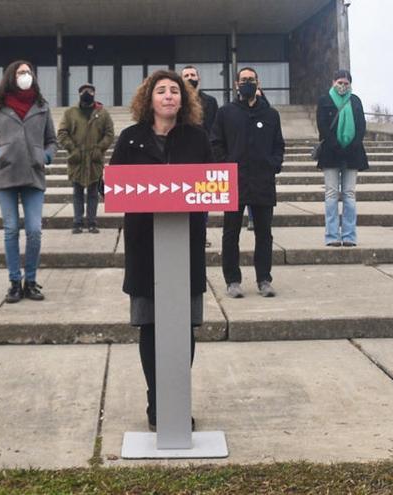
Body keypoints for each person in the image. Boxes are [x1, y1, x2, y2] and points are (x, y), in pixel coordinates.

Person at [109, 69, 211, 432]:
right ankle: (156, 400)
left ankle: (178, 399)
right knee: (151, 326)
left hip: (185, 246)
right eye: (161, 91)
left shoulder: (198, 139)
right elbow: (115, 186)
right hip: (144, 246)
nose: (169, 96)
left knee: (185, 326)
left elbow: (211, 184)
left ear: (183, 100)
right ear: (148, 98)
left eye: (175, 91)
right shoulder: (130, 138)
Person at [0, 60, 57, 303]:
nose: (25, 75)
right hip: (6, 175)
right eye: (21, 72)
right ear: (12, 77)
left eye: (28, 72)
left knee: (34, 230)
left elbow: (52, 140)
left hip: (34, 174)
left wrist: (45, 156)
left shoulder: (42, 106)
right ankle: (14, 282)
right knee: (11, 230)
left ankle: (31, 281)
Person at [212, 67, 285, 298]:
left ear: (258, 82)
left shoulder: (271, 115)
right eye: (243, 80)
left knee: (264, 233)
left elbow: (278, 145)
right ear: (236, 84)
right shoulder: (225, 113)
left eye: (251, 80)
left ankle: (264, 279)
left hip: (263, 182)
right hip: (234, 182)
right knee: (230, 233)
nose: (247, 83)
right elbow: (216, 143)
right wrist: (226, 166)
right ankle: (232, 280)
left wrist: (273, 164)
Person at [315, 69, 368, 247]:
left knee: (349, 194)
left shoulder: (355, 101)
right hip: (331, 153)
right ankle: (331, 236)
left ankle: (349, 236)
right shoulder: (324, 101)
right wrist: (336, 145)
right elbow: (322, 126)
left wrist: (352, 144)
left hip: (352, 153)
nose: (343, 86)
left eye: (346, 83)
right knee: (331, 194)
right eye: (340, 82)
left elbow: (361, 125)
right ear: (333, 82)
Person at [57, 83, 114, 234]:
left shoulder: (102, 113)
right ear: (79, 93)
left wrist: (100, 149)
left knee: (93, 192)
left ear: (94, 93)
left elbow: (109, 134)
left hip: (94, 159)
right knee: (77, 191)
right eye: (83, 91)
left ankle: (92, 222)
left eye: (90, 90)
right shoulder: (70, 112)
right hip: (77, 159)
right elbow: (62, 133)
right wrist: (72, 149)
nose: (86, 93)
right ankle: (77, 222)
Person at [181, 65, 219, 247]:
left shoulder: (210, 102)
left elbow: (214, 129)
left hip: (203, 156)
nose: (190, 77)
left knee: (202, 201)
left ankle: (200, 236)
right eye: (186, 75)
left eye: (192, 75)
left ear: (199, 78)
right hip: (181, 157)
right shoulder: (176, 101)